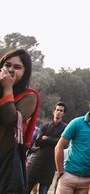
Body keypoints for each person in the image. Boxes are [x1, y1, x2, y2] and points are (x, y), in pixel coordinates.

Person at [55, 90, 90, 194]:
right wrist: (60, 172)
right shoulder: (76, 123)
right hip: (68, 176)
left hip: (88, 181)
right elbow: (59, 146)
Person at [0, 49, 40, 194]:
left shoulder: (30, 97)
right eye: (7, 65)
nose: (10, 69)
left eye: (17, 67)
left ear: (25, 72)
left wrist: (7, 88)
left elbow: (9, 119)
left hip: (5, 161)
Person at [27, 102, 68, 194]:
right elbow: (38, 142)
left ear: (63, 114)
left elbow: (63, 144)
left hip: (50, 164)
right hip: (38, 161)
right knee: (26, 189)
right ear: (53, 111)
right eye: (57, 110)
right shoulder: (45, 126)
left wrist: (47, 138)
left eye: (61, 111)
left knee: (43, 191)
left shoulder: (65, 127)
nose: (58, 112)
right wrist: (54, 141)